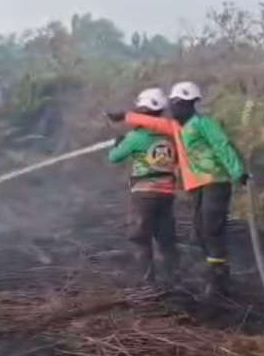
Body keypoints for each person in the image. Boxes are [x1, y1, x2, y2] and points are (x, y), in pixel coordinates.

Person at [107, 81, 248, 298]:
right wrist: (125, 116)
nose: (176, 108)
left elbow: (222, 145)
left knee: (209, 229)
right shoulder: (176, 129)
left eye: (181, 104)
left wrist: (238, 171)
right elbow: (153, 123)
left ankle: (217, 278)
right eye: (174, 104)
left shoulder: (202, 124)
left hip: (212, 181)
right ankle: (204, 273)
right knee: (198, 229)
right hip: (192, 186)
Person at [106, 88, 181, 288]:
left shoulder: (135, 137)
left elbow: (114, 158)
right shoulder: (171, 136)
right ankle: (174, 279)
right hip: (167, 193)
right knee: (166, 238)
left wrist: (117, 144)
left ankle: (148, 283)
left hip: (144, 194)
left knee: (140, 237)